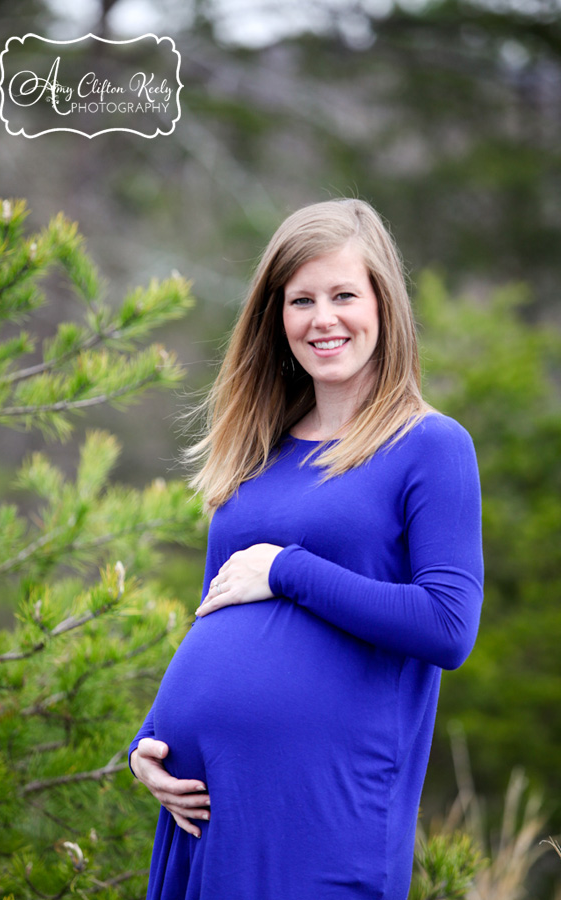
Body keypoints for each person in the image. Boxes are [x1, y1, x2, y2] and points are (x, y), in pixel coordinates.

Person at [128, 198, 484, 900]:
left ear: (384, 305)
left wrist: (288, 571)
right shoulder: (256, 449)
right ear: (276, 316)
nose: (323, 319)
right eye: (301, 300)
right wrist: (152, 741)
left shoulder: (431, 446)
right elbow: (215, 614)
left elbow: (448, 626)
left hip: (324, 813)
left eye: (344, 295)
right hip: (205, 810)